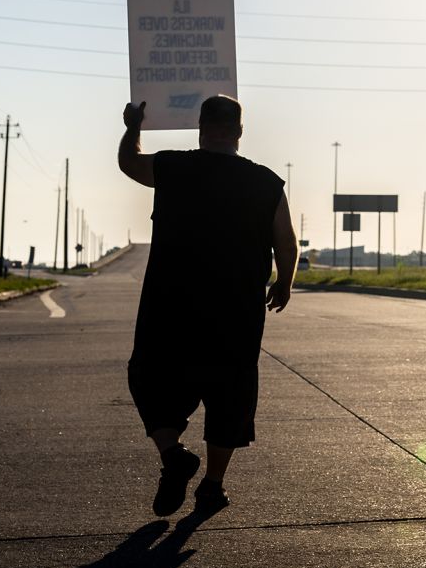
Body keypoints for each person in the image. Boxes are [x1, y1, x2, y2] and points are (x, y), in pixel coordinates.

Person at [118, 95, 298, 516]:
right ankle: (212, 486)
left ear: (200, 127)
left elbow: (130, 164)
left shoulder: (172, 167)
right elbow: (285, 243)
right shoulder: (266, 182)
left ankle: (172, 455)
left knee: (149, 378)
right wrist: (284, 283)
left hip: (169, 308)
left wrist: (132, 127)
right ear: (239, 131)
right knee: (230, 396)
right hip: (235, 313)